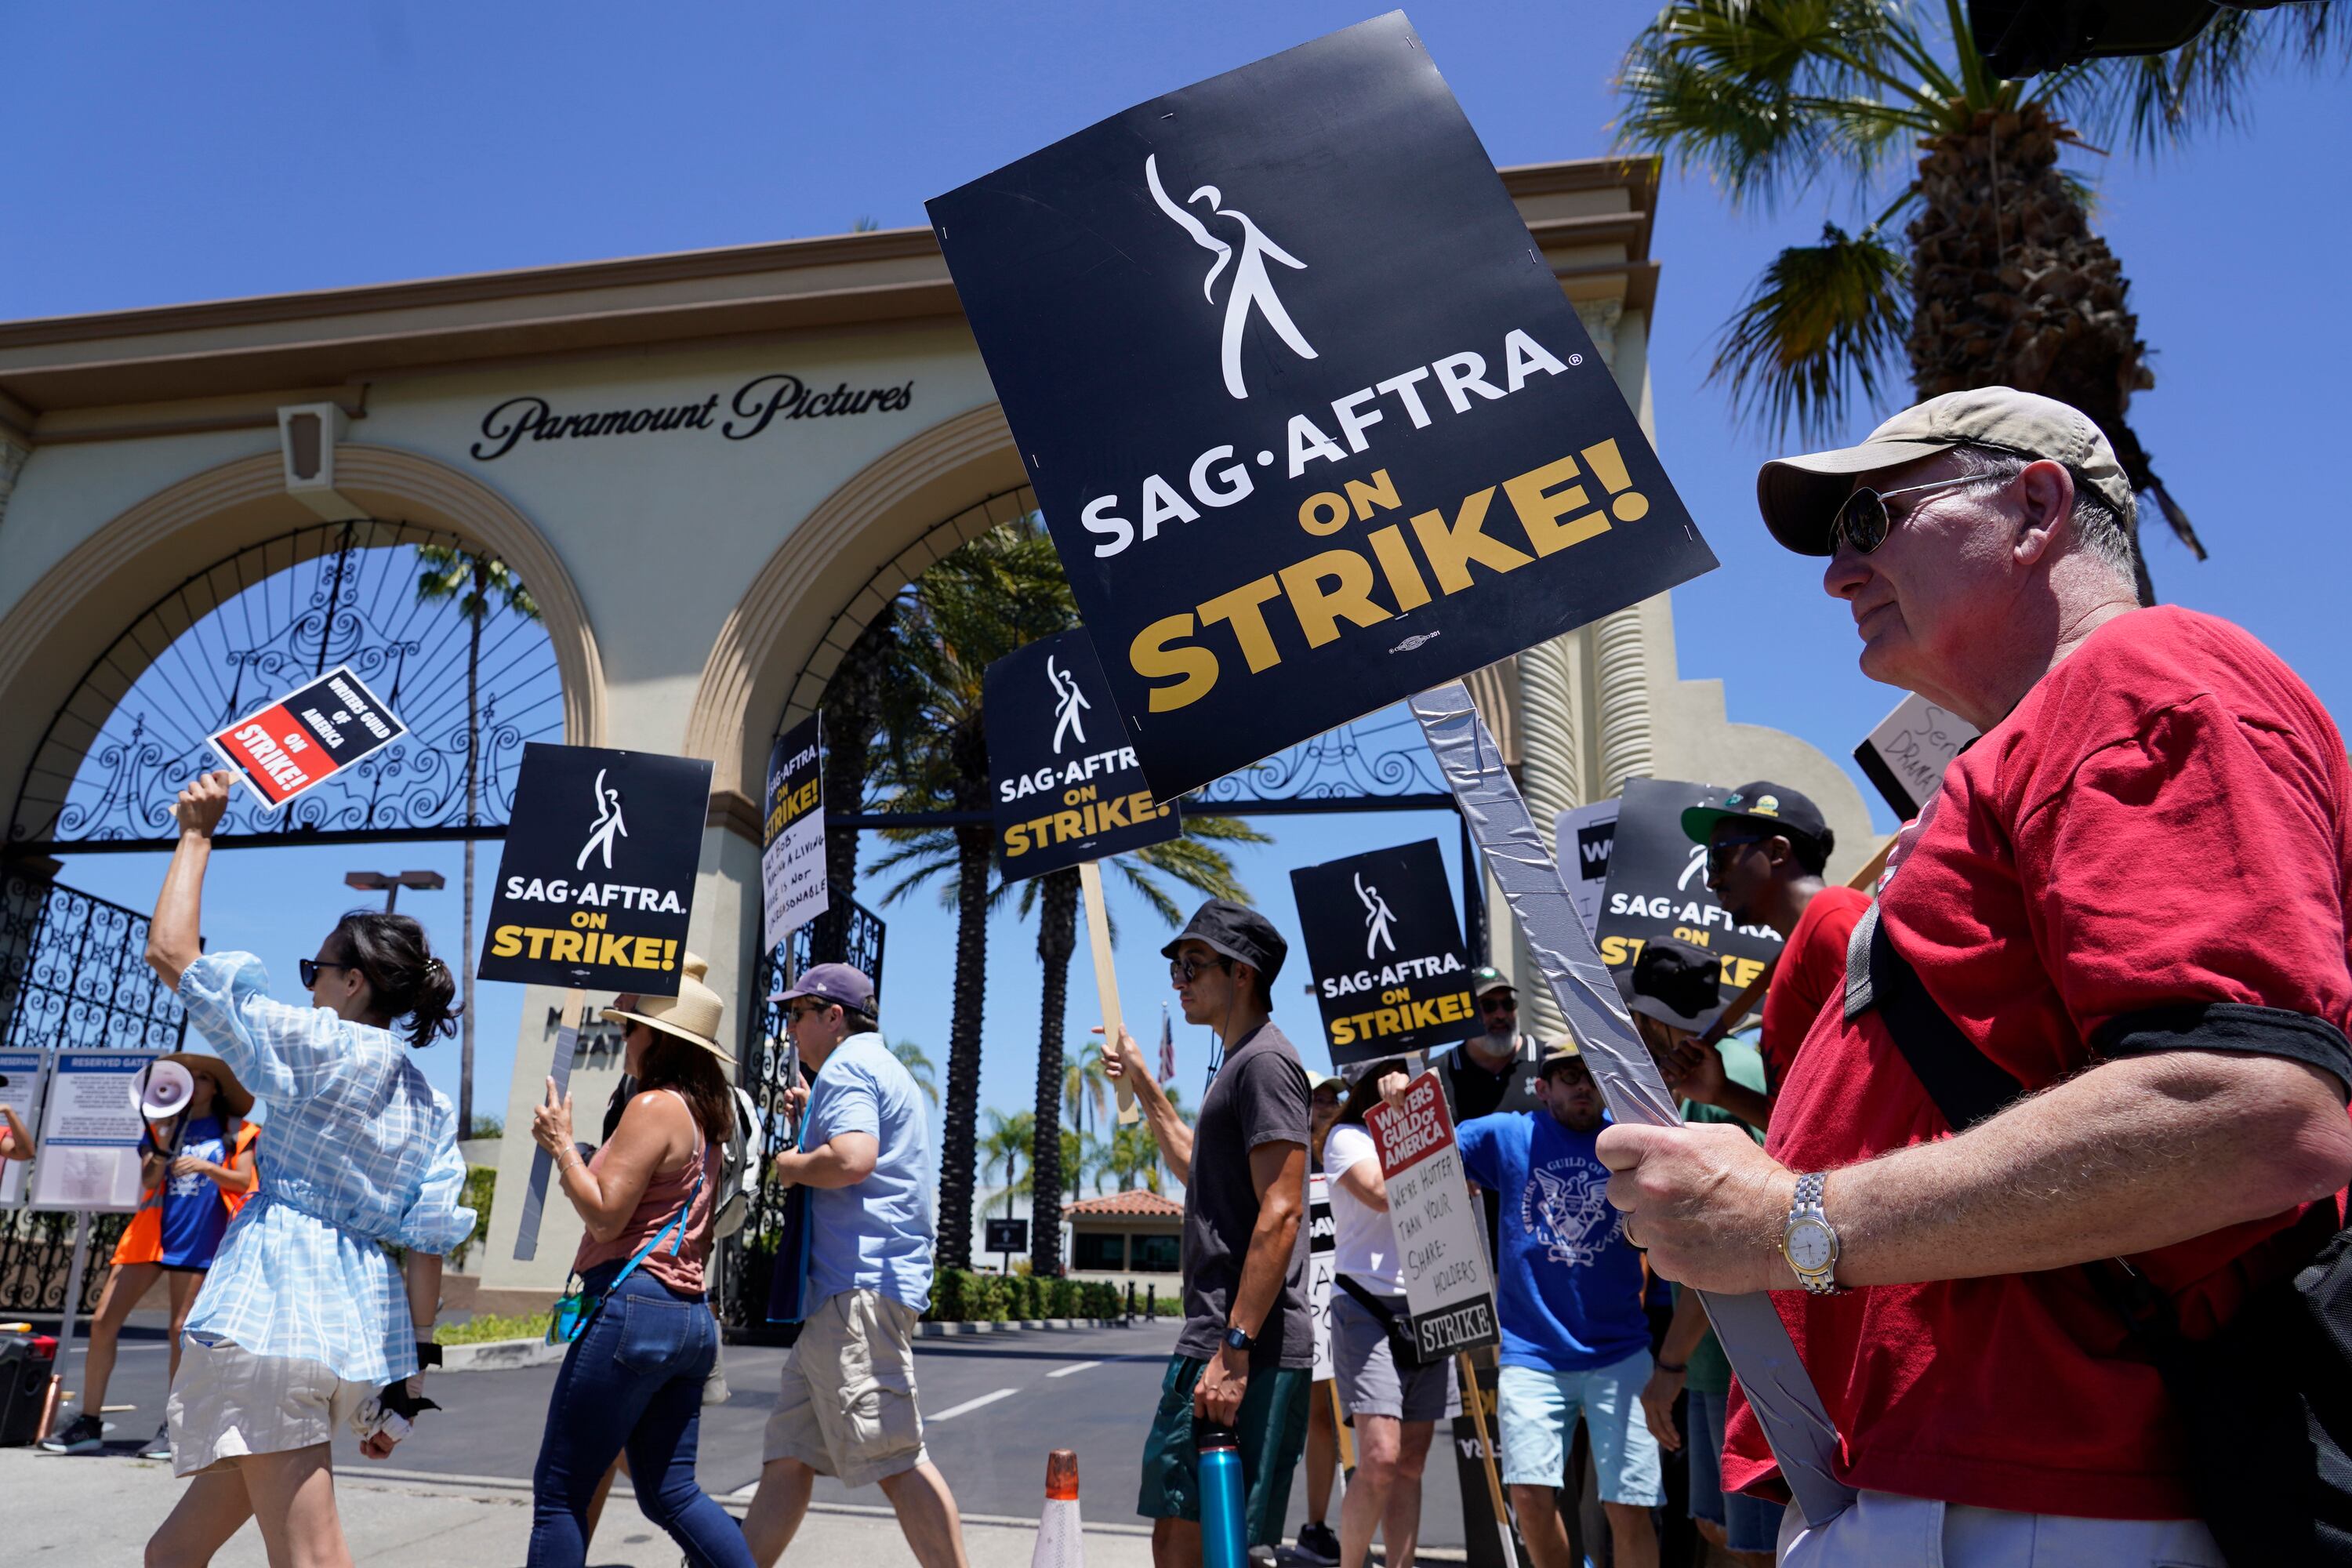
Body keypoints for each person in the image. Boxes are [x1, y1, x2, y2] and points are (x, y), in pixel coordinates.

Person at [1600, 387, 2352, 1566]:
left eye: (1869, 521)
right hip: (1964, 1489)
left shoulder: (2147, 674)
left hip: (2054, 1499)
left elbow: (2249, 1115)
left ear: (2037, 506)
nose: (1837, 575)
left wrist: (1792, 1221)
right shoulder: (2055, 733)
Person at [140, 769, 474, 1568]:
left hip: (274, 1308)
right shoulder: (427, 1100)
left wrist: (197, 831)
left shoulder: (323, 1045)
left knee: (314, 1557)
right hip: (347, 1325)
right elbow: (427, 1239)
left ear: (353, 981)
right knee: (172, 1552)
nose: (312, 982)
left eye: (315, 969)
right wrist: (413, 1380)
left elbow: (172, 953)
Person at [524, 955, 752, 1568]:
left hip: (632, 1305)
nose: (622, 1037)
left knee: (561, 1491)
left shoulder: (653, 1107)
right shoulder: (708, 1118)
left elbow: (605, 1215)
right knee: (669, 1492)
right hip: (688, 1314)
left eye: (630, 1027)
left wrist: (563, 1148)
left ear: (660, 1038)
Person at [1102, 898, 1311, 1568]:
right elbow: (1199, 1170)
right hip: (1223, 1336)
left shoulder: (1266, 1064)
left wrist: (1235, 1348)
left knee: (1213, 1546)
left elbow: (1281, 1211)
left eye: (1193, 965)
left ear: (1242, 973)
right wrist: (1144, 1080)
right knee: (1182, 1533)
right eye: (1176, 968)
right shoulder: (1238, 1063)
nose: (1179, 980)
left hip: (1244, 1343)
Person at [742, 963, 970, 1568]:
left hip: (854, 1295)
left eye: (797, 1014)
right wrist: (812, 1118)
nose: (790, 1029)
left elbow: (852, 1159)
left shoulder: (846, 1066)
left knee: (896, 1456)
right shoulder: (880, 1067)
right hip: (847, 1299)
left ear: (833, 1016)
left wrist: (791, 1163)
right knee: (789, 1456)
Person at [1436, 1044, 1661, 1568]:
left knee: (1628, 1508)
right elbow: (1423, 1158)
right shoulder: (1508, 1133)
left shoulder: (1628, 1142)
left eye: (1589, 1075)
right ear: (1543, 1088)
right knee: (1530, 1501)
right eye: (1566, 1076)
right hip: (1532, 1354)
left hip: (1621, 1352)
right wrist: (1402, 1098)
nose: (1581, 1085)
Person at [1617, 940, 1777, 1568]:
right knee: (1724, 1529)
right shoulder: (1723, 1067)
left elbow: (1727, 1244)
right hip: (1727, 1350)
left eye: (1635, 1020)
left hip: (1737, 1353)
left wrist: (1671, 1364)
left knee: (1757, 1541)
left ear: (1657, 1019)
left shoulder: (1717, 1081)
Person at [42, 1053, 257, 1459]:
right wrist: (161, 1146)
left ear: (216, 1087)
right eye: (188, 1077)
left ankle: (175, 1428)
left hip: (202, 1238)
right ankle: (88, 1422)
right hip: (153, 1239)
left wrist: (207, 1168)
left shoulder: (237, 1131)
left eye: (202, 1077)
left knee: (180, 1331)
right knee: (104, 1320)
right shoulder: (162, 1126)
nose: (193, 1083)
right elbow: (148, 1178)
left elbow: (245, 1179)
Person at [1679, 779, 1868, 1122]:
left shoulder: (1834, 916)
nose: (1711, 880)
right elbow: (1809, 1128)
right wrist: (1722, 1092)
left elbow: (1891, 1078)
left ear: (1778, 852)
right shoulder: (1796, 952)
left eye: (1719, 859)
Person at [1322, 1058, 1444, 1568]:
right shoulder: (1345, 1137)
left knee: (1411, 1464)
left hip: (1433, 1297)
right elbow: (1378, 1193)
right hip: (1365, 1303)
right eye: (1396, 1069)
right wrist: (1408, 1117)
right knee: (1379, 1459)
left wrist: (1430, 1111)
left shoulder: (1437, 1124)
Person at [1291, 1071, 1348, 1568]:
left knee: (1338, 1419)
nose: (1325, 1106)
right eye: (1315, 1099)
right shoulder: (1281, 1166)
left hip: (1353, 1317)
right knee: (1299, 1422)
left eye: (1333, 1098)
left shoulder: (1355, 1159)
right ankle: (1299, 1527)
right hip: (1295, 1320)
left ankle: (1331, 1524)